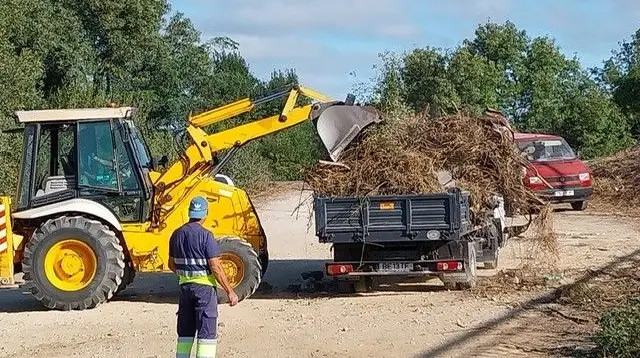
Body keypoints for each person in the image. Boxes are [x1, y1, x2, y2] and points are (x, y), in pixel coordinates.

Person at [168, 196, 239, 358]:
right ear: (205, 213)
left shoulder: (176, 235)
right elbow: (216, 267)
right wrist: (230, 291)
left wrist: (186, 274)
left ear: (189, 213)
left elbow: (171, 264)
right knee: (206, 333)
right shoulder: (206, 236)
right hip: (205, 291)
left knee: (185, 332)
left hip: (185, 290)